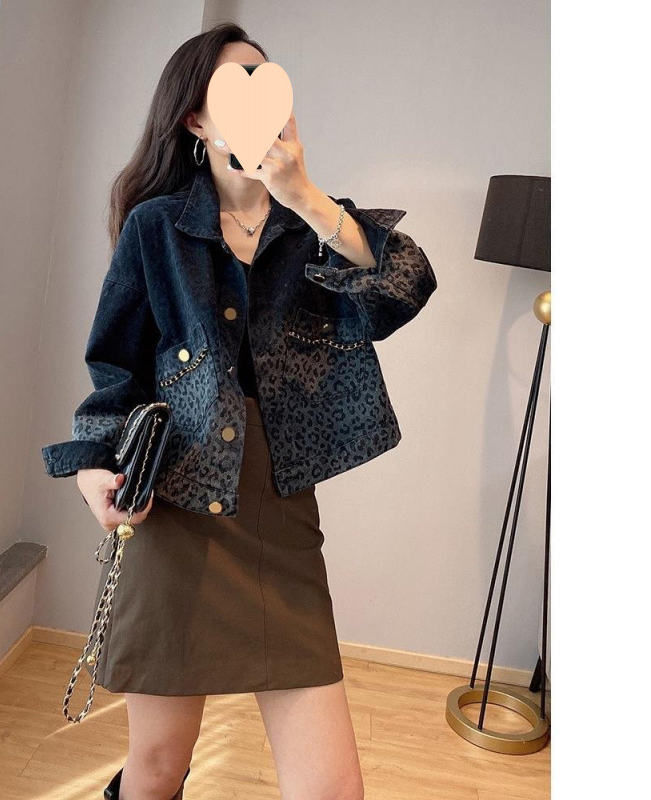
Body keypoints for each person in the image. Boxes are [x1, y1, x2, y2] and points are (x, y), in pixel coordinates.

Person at [41, 22, 437, 800]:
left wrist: (306, 198)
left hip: (279, 524)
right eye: (235, 85)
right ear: (195, 118)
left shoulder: (319, 227)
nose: (260, 98)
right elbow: (115, 370)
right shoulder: (158, 228)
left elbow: (407, 284)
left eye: (268, 80)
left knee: (333, 790)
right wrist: (91, 466)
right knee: (158, 769)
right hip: (175, 515)